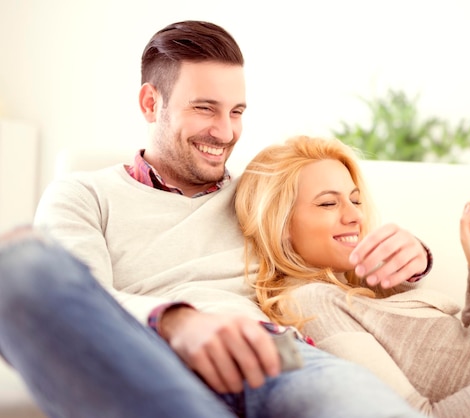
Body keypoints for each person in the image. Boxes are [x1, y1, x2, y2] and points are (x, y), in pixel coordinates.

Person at [0, 21, 433, 418]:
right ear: (151, 103)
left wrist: (415, 256)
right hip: (151, 363)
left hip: (277, 355)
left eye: (237, 112)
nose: (226, 133)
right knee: (18, 267)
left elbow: (339, 240)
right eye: (206, 109)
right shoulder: (84, 195)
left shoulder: (258, 192)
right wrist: (177, 321)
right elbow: (81, 311)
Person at [234, 135, 470, 418]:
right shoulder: (309, 304)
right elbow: (426, 415)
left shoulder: (355, 283)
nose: (354, 215)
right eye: (327, 203)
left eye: (354, 199)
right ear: (281, 224)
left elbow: (469, 359)